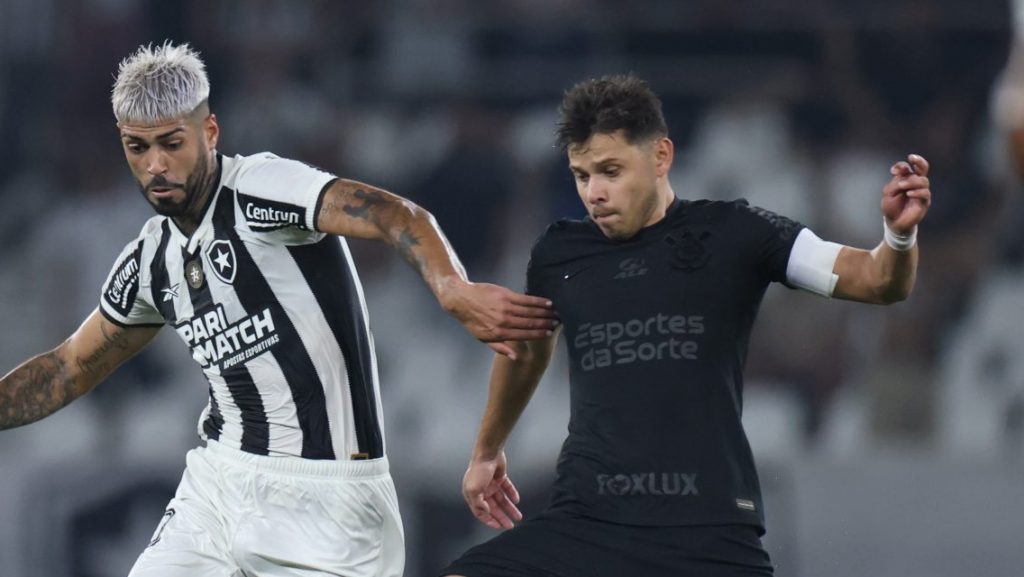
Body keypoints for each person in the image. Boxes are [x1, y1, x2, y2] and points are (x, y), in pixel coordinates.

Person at [0, 42, 558, 577]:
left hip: (329, 497)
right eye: (137, 147)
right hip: (219, 486)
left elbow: (392, 213)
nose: (156, 166)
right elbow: (69, 366)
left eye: (172, 142)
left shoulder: (262, 188)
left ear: (209, 131)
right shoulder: (151, 259)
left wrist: (452, 288)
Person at [441, 75, 931, 577]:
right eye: (581, 175)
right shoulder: (559, 253)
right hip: (588, 519)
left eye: (611, 171)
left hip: (706, 530)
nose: (595, 193)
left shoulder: (737, 232)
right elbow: (525, 349)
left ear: (661, 156)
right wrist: (487, 451)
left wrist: (896, 237)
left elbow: (876, 282)